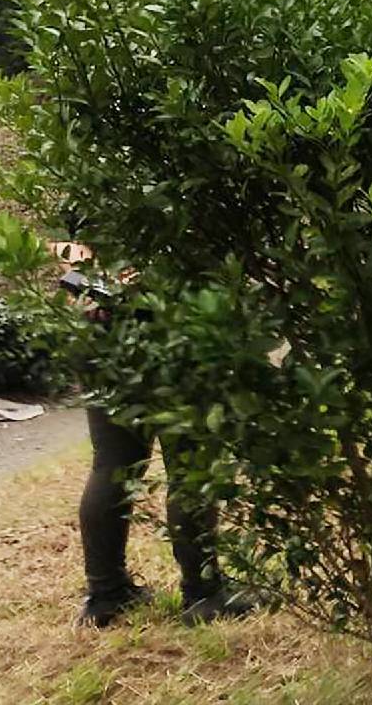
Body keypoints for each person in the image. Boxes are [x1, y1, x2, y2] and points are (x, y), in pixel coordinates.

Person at [54, 242, 256, 628]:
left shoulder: (88, 190)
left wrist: (93, 285)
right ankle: (204, 593)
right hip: (169, 327)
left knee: (112, 462)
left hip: (99, 326)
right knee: (191, 464)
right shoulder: (171, 188)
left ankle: (106, 595)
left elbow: (69, 246)